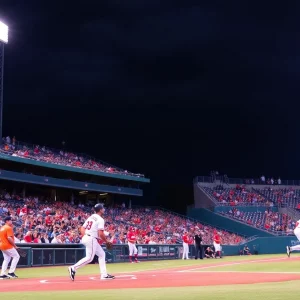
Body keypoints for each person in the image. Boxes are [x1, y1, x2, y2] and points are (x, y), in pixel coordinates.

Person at [68, 204, 115, 281]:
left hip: (87, 237)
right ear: (100, 210)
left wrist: (85, 236)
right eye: (103, 208)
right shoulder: (100, 219)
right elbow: (100, 233)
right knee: (89, 258)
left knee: (102, 254)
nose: (104, 209)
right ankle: (73, 268)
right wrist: (106, 241)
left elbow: (82, 228)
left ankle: (104, 275)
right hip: (91, 239)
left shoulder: (91, 217)